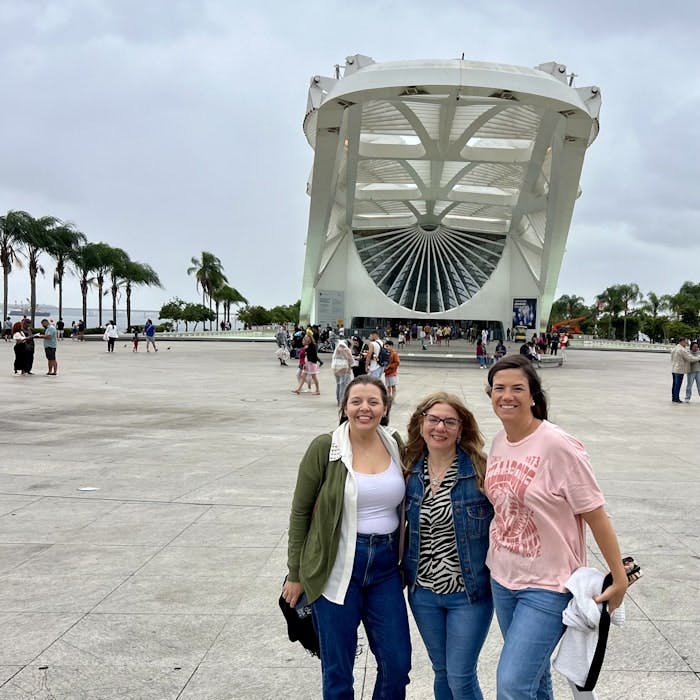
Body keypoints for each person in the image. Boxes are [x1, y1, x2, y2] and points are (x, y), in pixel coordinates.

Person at [484, 355, 628, 700]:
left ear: (533, 395)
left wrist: (619, 576)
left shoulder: (559, 445)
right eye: (499, 388)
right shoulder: (499, 441)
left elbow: (595, 514)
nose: (507, 395)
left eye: (517, 388)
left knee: (513, 682)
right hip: (502, 578)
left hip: (549, 585)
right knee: (534, 678)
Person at [282, 375, 411, 699]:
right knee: (338, 670)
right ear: (344, 406)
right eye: (356, 401)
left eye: (373, 402)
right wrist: (296, 574)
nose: (364, 408)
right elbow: (300, 513)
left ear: (385, 407)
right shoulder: (326, 448)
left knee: (397, 664)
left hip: (385, 569)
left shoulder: (395, 443)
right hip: (336, 567)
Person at [403, 392, 493, 699]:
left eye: (449, 422)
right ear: (421, 423)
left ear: (461, 429)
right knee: (441, 671)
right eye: (433, 420)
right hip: (423, 593)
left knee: (460, 675)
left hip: (469, 593)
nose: (440, 428)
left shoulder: (480, 470)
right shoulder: (409, 469)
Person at [671, 337, 698, 403]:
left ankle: (674, 397)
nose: (687, 343)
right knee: (678, 384)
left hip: (674, 368)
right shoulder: (682, 350)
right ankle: (676, 398)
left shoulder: (674, 348)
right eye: (686, 342)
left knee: (674, 384)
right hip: (679, 370)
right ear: (682, 342)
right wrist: (698, 358)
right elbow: (690, 359)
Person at [331, 338, 354, 406]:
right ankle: (342, 401)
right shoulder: (346, 350)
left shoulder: (337, 349)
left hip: (335, 368)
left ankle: (338, 400)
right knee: (343, 385)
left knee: (338, 384)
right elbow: (351, 360)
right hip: (344, 368)